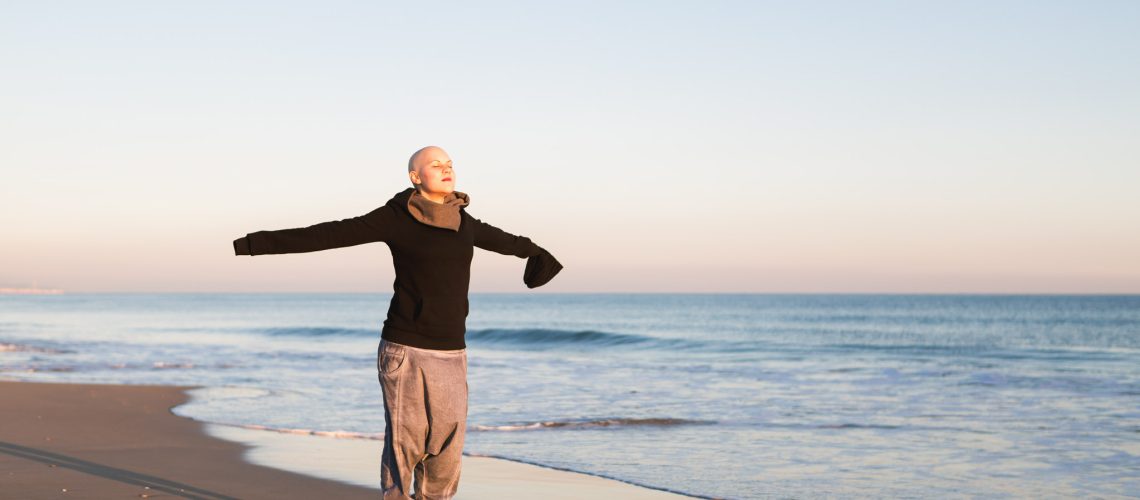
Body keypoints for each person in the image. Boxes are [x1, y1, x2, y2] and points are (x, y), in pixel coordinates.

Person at [232, 145, 563, 499]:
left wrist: (538, 255)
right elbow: (330, 233)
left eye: (450, 164)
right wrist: (252, 244)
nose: (446, 168)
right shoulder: (395, 217)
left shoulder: (464, 222)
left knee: (447, 445)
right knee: (407, 439)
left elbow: (510, 242)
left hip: (452, 352)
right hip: (405, 348)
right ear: (415, 177)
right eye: (436, 164)